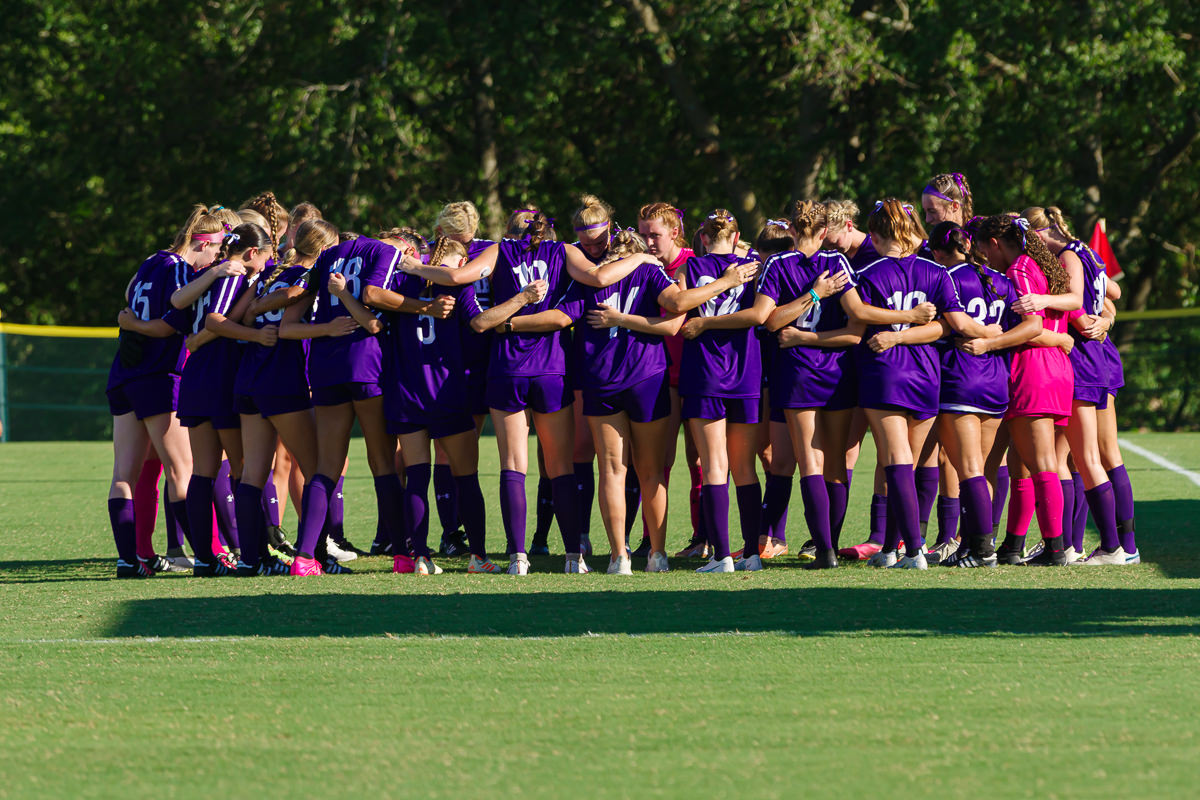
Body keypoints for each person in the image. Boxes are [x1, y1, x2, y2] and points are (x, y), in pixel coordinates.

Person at [401, 208, 659, 574]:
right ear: (550, 231)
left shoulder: (500, 250)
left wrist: (415, 269)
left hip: (506, 369)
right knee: (560, 465)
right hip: (552, 369)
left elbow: (459, 277)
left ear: (510, 232)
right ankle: (574, 557)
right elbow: (596, 281)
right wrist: (642, 255)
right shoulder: (563, 253)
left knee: (513, 466)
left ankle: (517, 558)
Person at [844, 199, 1000, 569]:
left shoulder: (868, 271)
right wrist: (990, 334)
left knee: (896, 462)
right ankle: (892, 550)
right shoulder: (936, 272)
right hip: (926, 374)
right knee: (909, 466)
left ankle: (912, 550)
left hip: (885, 371)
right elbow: (946, 326)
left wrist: (895, 335)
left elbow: (858, 318)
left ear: (879, 235)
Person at [106, 205, 228, 577]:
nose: (217, 258)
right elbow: (163, 328)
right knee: (183, 471)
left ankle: (129, 561)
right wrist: (218, 274)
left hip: (124, 375)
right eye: (217, 249)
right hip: (158, 376)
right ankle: (206, 558)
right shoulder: (179, 271)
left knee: (123, 474)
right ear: (201, 243)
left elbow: (129, 295)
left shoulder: (151, 261)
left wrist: (127, 320)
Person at [379, 235, 502, 574]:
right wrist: (520, 301)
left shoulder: (401, 283)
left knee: (417, 478)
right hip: (446, 392)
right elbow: (479, 323)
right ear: (461, 264)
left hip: (407, 392)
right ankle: (478, 557)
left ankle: (420, 557)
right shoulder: (460, 288)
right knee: (467, 477)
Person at [1023, 205, 1129, 565]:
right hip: (1099, 359)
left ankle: (1110, 547)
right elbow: (1112, 291)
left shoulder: (1068, 254)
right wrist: (1107, 319)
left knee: (1083, 458)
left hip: (1083, 360)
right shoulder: (1084, 249)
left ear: (1039, 233)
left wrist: (1082, 317)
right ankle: (1101, 546)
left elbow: (1078, 310)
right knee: (1079, 457)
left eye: (1028, 240)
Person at [971, 214, 1077, 566]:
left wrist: (991, 343)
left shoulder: (1018, 268)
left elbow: (1031, 328)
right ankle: (1013, 546)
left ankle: (1055, 547)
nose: (985, 256)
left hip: (1033, 367)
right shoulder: (1045, 265)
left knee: (1042, 462)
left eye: (985, 248)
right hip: (1058, 369)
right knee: (1021, 464)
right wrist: (1062, 337)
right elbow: (1068, 308)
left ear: (996, 243)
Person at [760, 202, 859, 569]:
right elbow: (773, 322)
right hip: (832, 371)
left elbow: (771, 320)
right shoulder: (836, 263)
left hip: (802, 371)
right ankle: (827, 549)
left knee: (814, 464)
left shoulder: (778, 264)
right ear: (822, 232)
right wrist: (816, 293)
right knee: (831, 464)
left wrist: (804, 323)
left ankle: (826, 551)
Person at [177, 223, 278, 576]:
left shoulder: (207, 274)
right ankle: (255, 556)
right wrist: (255, 335)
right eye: (264, 257)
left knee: (203, 471)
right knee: (242, 468)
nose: (265, 265)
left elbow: (193, 318)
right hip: (220, 377)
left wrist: (195, 341)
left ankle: (205, 559)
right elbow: (216, 321)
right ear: (252, 253)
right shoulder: (233, 276)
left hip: (196, 378)